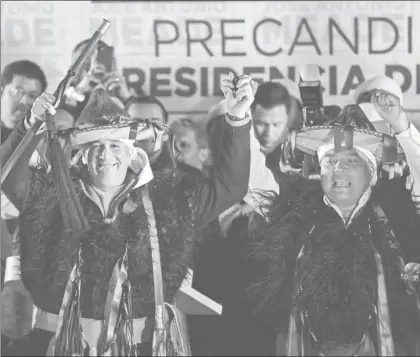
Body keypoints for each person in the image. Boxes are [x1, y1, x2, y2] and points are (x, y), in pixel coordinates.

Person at [1, 73, 256, 356]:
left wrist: (237, 117)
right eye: (95, 146)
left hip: (144, 347)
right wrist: (29, 124)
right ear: (81, 154)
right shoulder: (53, 195)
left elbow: (230, 187)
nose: (104, 154)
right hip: (61, 344)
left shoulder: (170, 197)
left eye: (114, 145)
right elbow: (10, 177)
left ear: (131, 151)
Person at [245, 91, 420, 356]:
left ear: (372, 174)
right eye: (330, 160)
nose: (338, 169)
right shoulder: (293, 216)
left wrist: (401, 127)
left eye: (351, 160)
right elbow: (252, 174)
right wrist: (239, 117)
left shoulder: (396, 216)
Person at [1, 60, 47, 144]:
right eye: (18, 92)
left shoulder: (40, 142)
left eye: (32, 96)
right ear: (1, 91)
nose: (25, 101)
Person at [125, 95, 174, 172]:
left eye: (154, 123)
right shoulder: (108, 172)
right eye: (137, 123)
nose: (147, 130)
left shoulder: (188, 177)